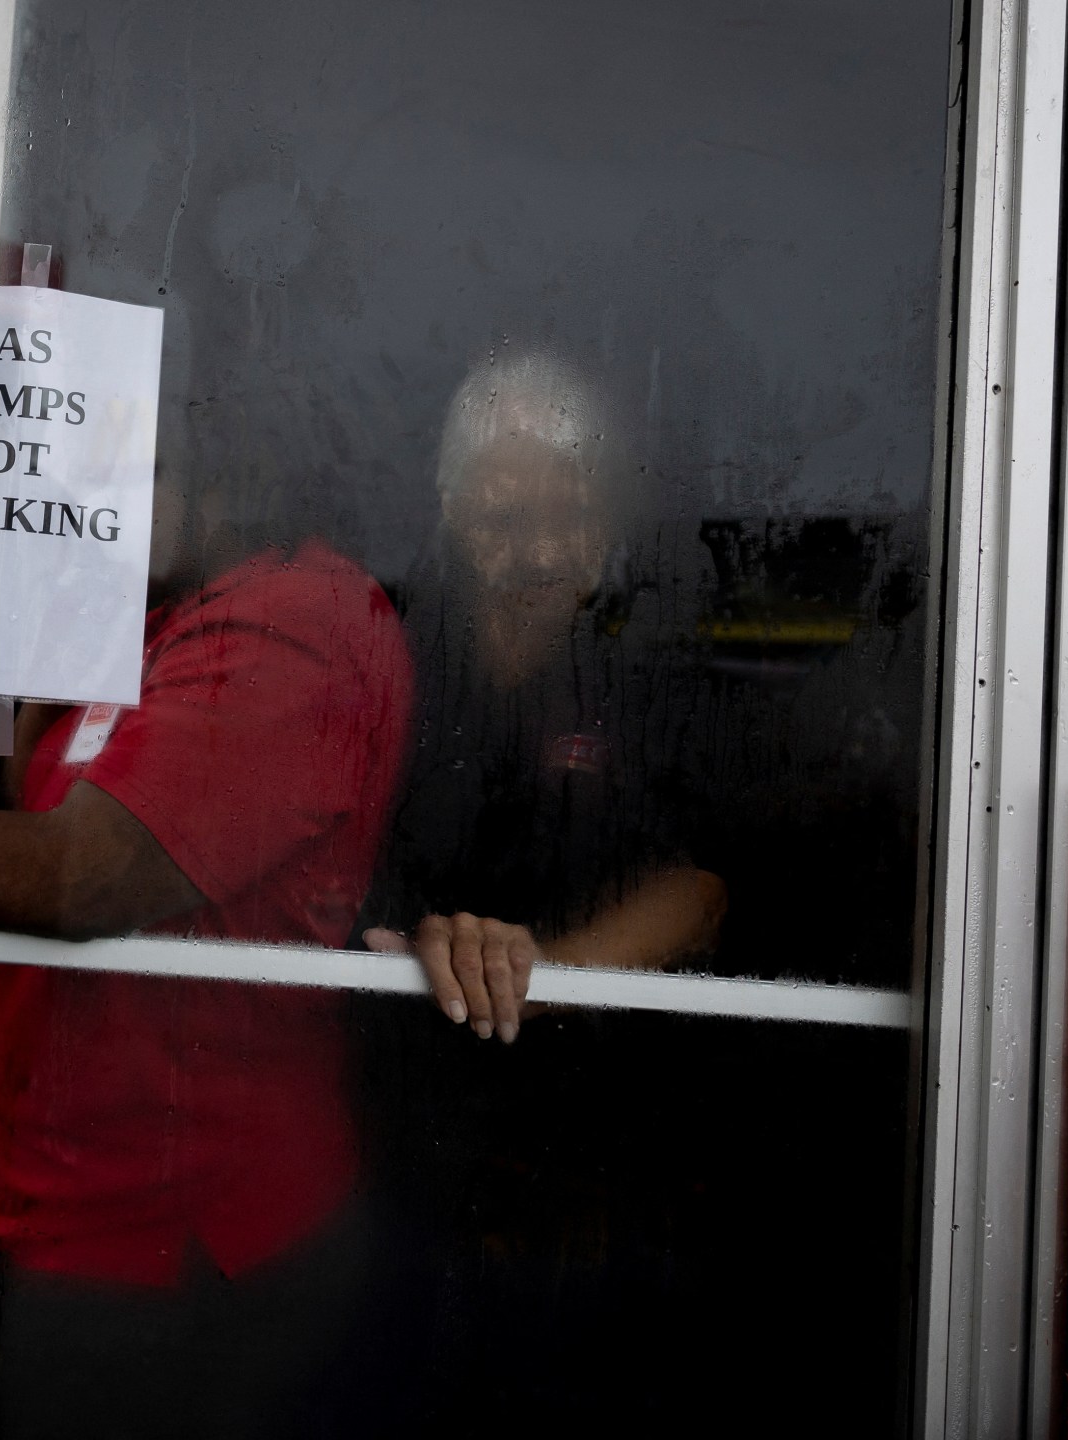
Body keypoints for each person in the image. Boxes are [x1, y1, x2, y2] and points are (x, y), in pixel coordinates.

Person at [0, 435, 413, 1437]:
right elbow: (25, 792)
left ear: (237, 464)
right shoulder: (158, 613)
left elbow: (84, 872)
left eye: (132, 475)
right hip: (54, 1201)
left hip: (177, 1235)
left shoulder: (302, 619)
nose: (99, 504)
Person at [352, 352, 726, 1429]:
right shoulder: (389, 657)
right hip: (395, 1165)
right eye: (503, 511)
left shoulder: (646, 678)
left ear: (607, 522)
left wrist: (532, 973)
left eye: (569, 513)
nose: (539, 548)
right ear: (450, 508)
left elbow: (693, 889)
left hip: (591, 1179)